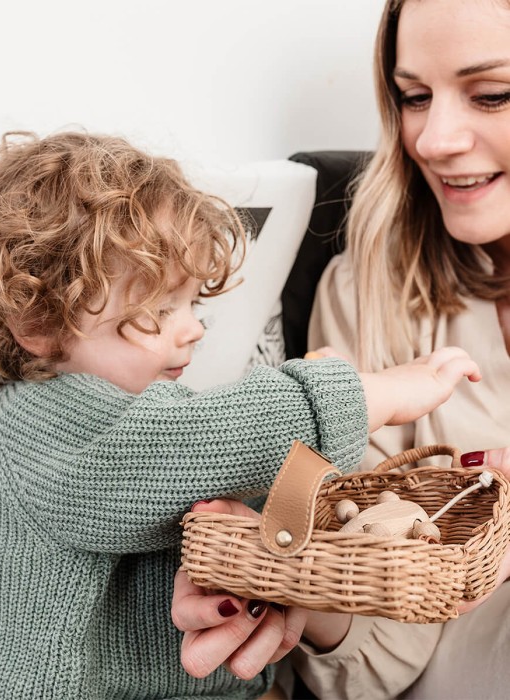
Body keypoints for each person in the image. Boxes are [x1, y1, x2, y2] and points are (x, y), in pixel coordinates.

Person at [0, 130, 480, 700]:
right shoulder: (35, 421)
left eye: (193, 303)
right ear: (39, 325)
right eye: (159, 309)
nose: (192, 328)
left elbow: (232, 494)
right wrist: (361, 396)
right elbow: (177, 452)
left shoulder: (165, 410)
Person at [173, 1, 510, 698]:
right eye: (413, 97)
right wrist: (298, 585)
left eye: (493, 95)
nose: (435, 138)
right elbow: (383, 659)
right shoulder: (369, 288)